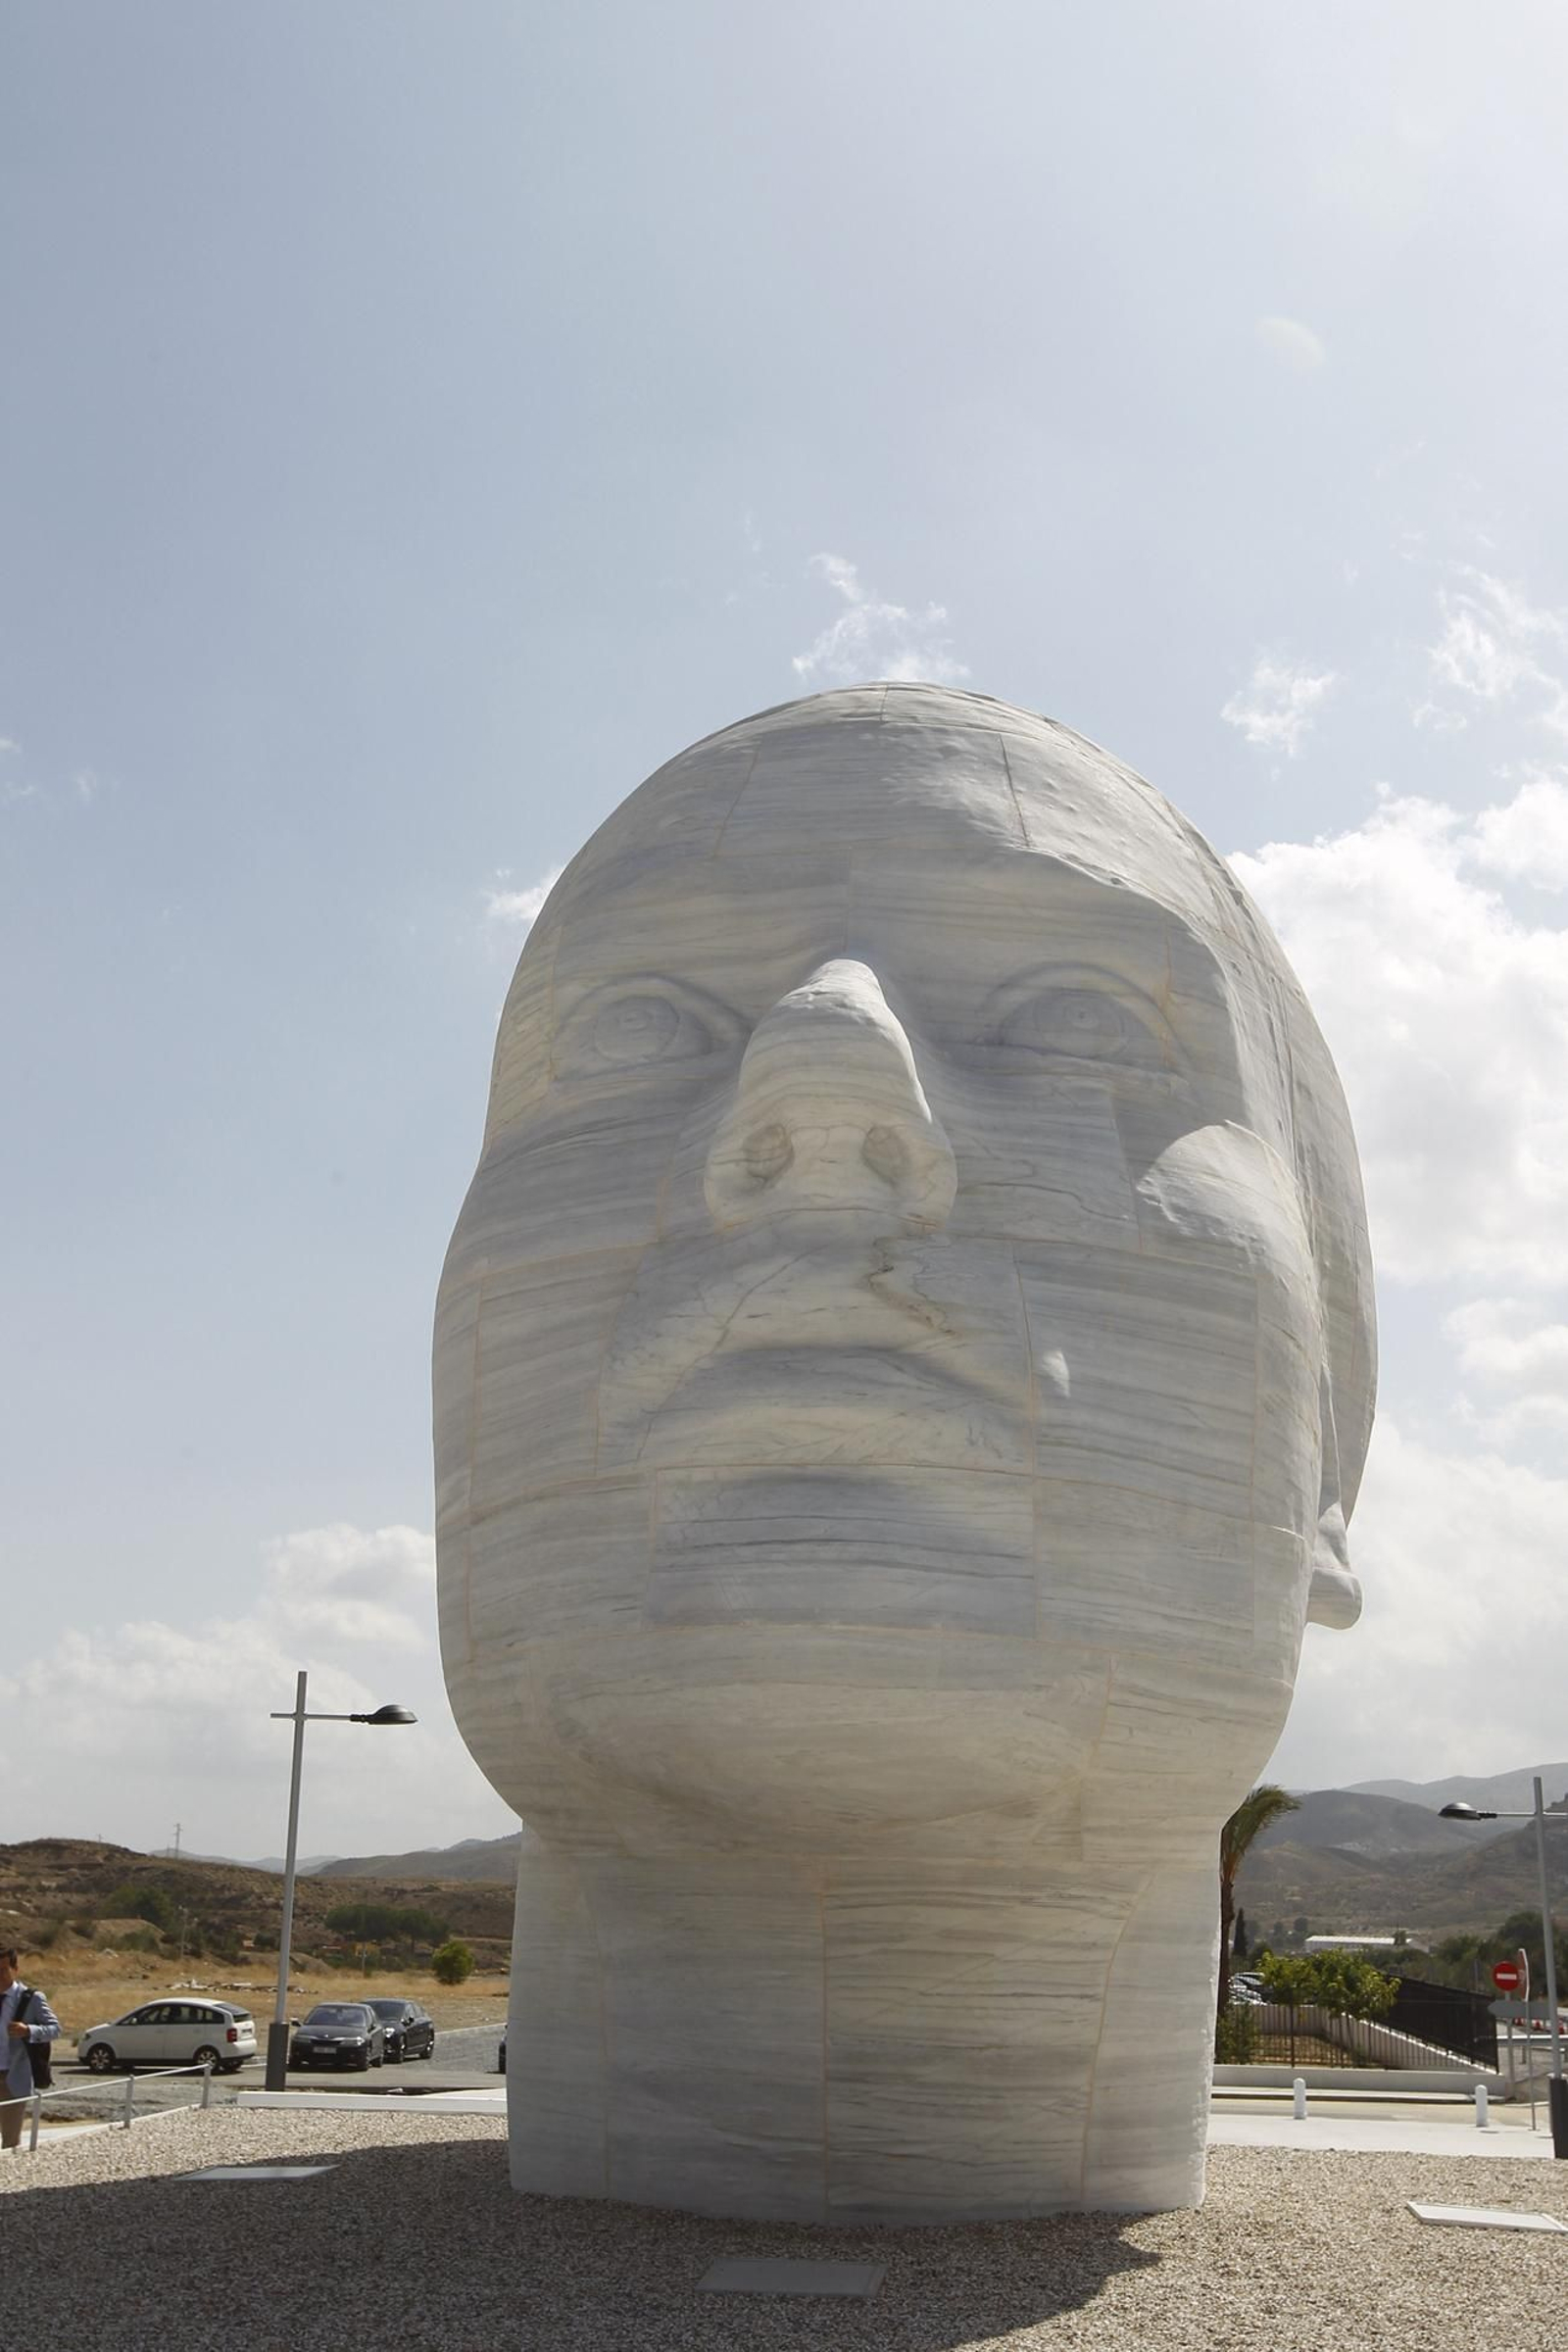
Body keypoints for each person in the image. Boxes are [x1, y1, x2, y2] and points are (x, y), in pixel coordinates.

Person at [1, 1944, 62, 2150]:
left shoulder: (31, 1998)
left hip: (13, 2077)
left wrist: (29, 2030)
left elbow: (55, 2029)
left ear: (15, 1969)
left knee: (10, 2142)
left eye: (2, 1970)